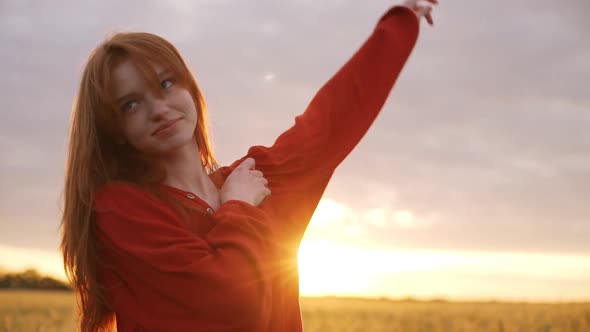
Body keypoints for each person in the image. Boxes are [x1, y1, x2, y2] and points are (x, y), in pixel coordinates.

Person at [60, 0, 438, 331]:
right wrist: (238, 207)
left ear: (190, 87)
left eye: (166, 83)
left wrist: (403, 19)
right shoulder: (122, 210)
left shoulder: (258, 177)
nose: (159, 109)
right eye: (130, 104)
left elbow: (336, 114)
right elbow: (230, 305)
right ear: (116, 129)